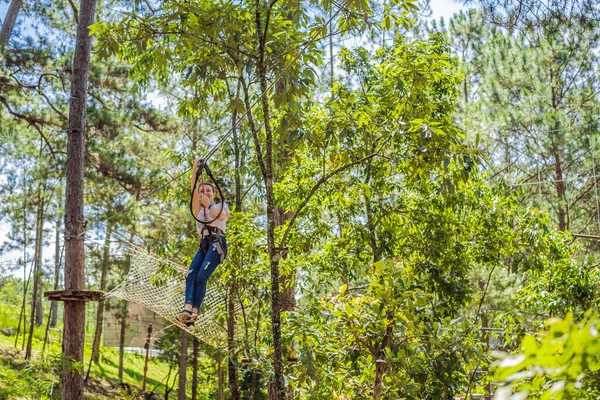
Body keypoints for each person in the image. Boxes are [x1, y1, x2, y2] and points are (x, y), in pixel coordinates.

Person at [176, 157, 229, 327]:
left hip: (217, 243)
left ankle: (195, 312)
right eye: (202, 192)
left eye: (208, 191)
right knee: (191, 274)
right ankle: (187, 309)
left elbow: (221, 216)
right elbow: (193, 189)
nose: (205, 193)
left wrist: (210, 203)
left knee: (201, 276)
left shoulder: (220, 205)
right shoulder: (199, 211)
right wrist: (194, 170)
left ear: (213, 193)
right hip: (204, 244)